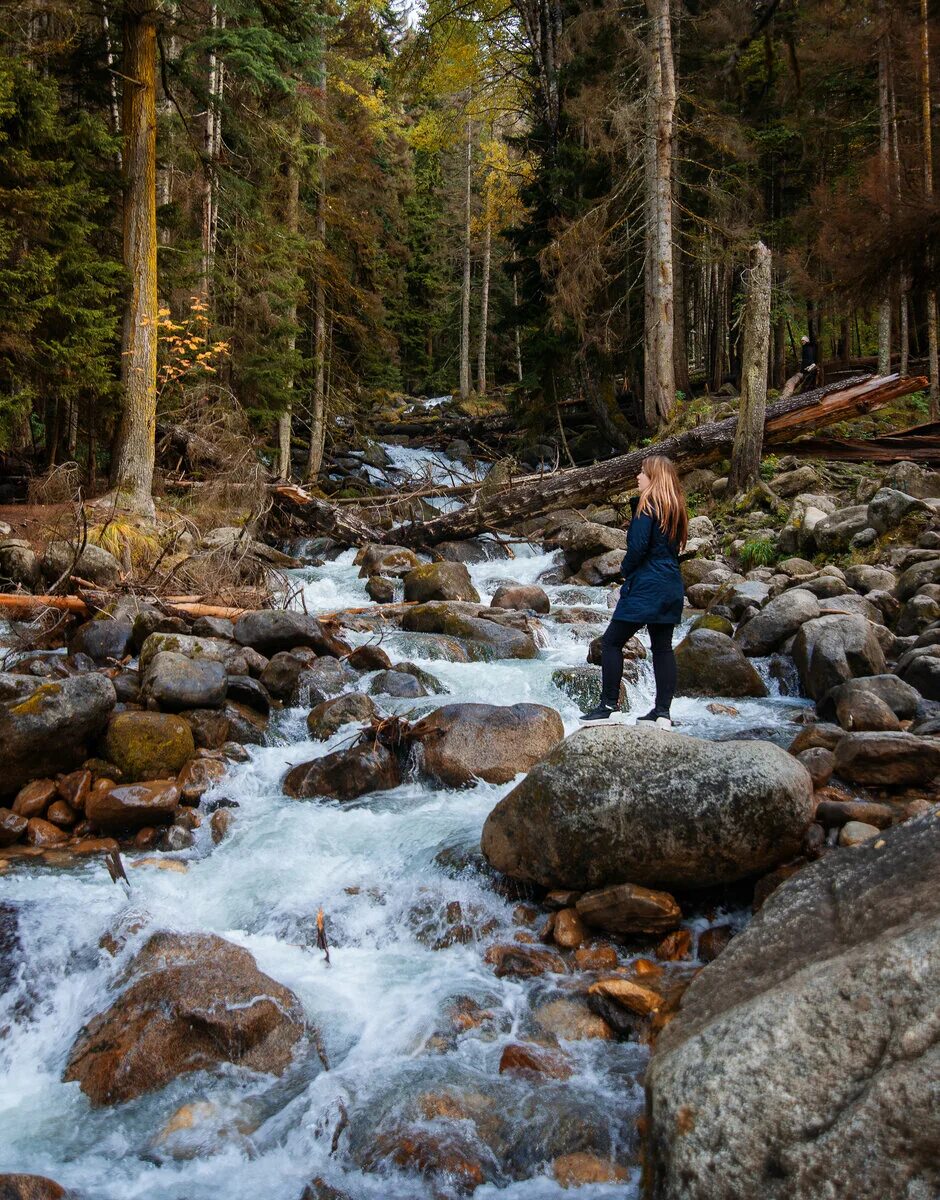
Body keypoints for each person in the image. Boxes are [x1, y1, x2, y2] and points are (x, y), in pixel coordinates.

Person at [580, 455, 688, 729]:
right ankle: (662, 713)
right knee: (662, 648)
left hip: (647, 585)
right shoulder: (675, 509)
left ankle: (608, 707)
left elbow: (638, 548)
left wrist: (625, 570)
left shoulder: (647, 505)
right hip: (670, 584)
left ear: (653, 478)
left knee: (612, 642)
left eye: (642, 473)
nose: (638, 477)